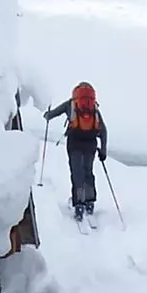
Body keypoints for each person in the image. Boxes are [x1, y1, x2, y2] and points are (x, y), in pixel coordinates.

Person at [44, 81, 108, 221]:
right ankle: (89, 202)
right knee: (88, 171)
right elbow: (103, 130)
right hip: (90, 143)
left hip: (74, 143)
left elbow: (53, 113)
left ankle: (79, 204)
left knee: (77, 172)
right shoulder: (94, 108)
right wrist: (103, 150)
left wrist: (47, 115)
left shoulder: (71, 104)